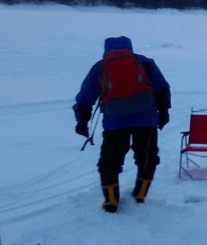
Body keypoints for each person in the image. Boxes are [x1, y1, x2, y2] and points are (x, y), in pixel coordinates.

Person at [73, 36, 171, 213]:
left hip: (115, 122)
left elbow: (85, 96)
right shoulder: (144, 62)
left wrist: (82, 121)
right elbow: (162, 88)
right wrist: (164, 113)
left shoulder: (100, 67)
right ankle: (140, 195)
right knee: (146, 157)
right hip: (146, 119)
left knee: (110, 161)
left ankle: (111, 201)